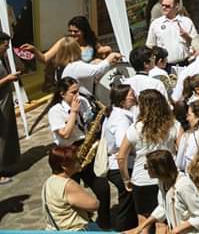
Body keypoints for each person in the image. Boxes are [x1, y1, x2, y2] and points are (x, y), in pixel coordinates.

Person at [117, 89, 183, 226]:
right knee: (164, 221)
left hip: (143, 178)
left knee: (143, 221)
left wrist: (125, 179)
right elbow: (182, 150)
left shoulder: (135, 128)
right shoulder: (174, 125)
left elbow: (121, 157)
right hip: (168, 175)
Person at [128, 151, 199, 234]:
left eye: (147, 167)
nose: (146, 169)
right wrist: (141, 226)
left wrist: (176, 230)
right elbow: (163, 206)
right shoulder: (162, 182)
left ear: (158, 169)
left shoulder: (183, 186)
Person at [103, 83, 138, 231]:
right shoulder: (121, 119)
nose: (134, 96)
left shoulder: (118, 114)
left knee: (128, 202)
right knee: (127, 203)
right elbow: (122, 143)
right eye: (131, 95)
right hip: (121, 166)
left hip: (120, 164)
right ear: (122, 100)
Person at [42, 145, 100, 231]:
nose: (78, 162)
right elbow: (94, 205)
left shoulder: (48, 182)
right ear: (64, 166)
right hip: (75, 229)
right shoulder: (68, 185)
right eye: (75, 161)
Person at [146, 0, 196, 67]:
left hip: (186, 63)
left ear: (176, 6)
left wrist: (187, 37)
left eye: (167, 6)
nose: (163, 8)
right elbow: (150, 45)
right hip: (166, 66)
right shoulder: (155, 24)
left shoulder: (186, 22)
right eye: (162, 5)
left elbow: (197, 44)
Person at [0, 31, 22, 184]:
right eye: (5, 46)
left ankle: (5, 164)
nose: (6, 49)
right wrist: (8, 78)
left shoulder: (2, 59)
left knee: (7, 135)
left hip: (5, 102)